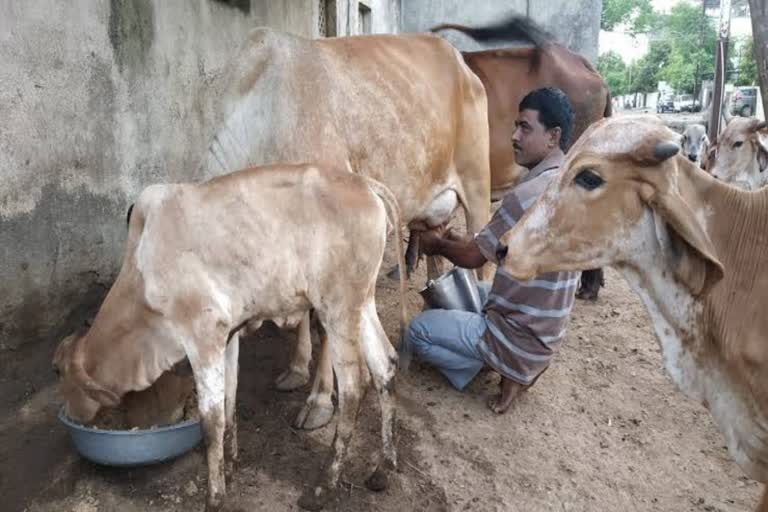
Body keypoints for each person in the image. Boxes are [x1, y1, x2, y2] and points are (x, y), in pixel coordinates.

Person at [404, 87, 580, 414]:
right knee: (477, 290)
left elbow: (473, 257)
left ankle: (497, 364)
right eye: (515, 126)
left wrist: (437, 244)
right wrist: (457, 239)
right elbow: (488, 246)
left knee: (417, 332)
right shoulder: (572, 183)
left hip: (517, 336)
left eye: (525, 128)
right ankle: (512, 362)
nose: (513, 136)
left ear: (553, 136)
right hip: (547, 332)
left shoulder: (525, 195)